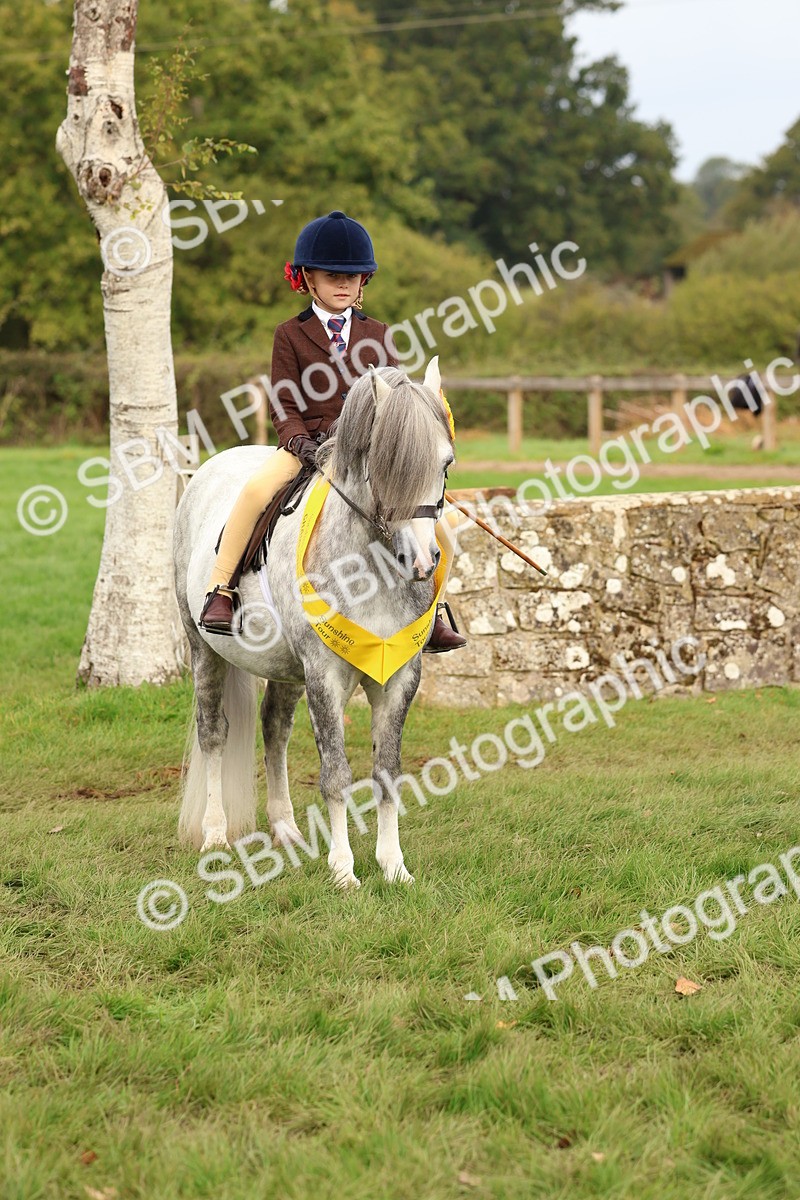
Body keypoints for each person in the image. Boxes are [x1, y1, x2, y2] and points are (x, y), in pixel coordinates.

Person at [198, 209, 466, 653]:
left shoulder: (378, 334)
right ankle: (221, 589)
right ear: (307, 278)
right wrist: (302, 444)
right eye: (331, 275)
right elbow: (284, 404)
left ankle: (433, 609)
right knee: (255, 491)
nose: (343, 283)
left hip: (368, 457)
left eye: (353, 276)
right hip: (307, 447)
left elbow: (396, 403)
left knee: (439, 526)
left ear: (364, 282)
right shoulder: (290, 334)